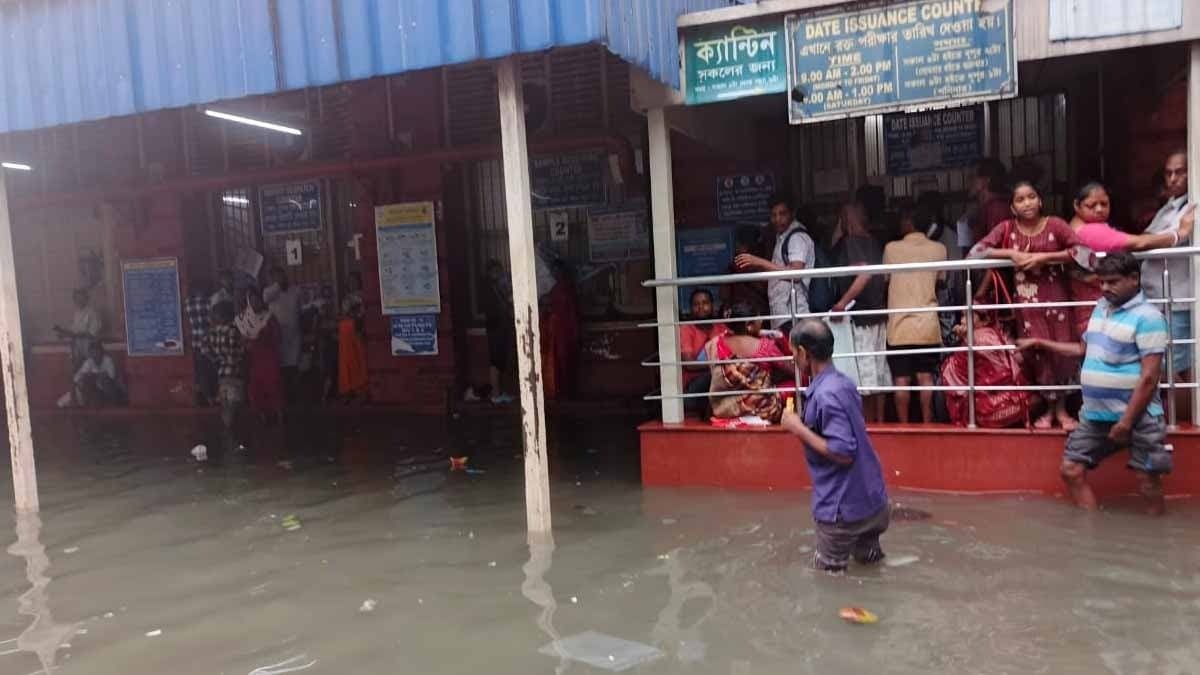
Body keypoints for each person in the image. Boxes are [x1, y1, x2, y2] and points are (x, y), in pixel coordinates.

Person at [1017, 253, 1172, 515]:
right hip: (1096, 415)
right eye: (1102, 282)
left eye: (1112, 282)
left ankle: (1158, 530)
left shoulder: (1149, 317)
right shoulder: (1101, 307)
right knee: (1071, 470)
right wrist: (1040, 343)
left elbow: (1149, 377)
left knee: (1148, 481)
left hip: (1140, 416)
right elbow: (1082, 349)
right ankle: (1091, 529)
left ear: (1134, 279)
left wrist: (1126, 422)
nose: (1105, 288)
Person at [969, 180, 1080, 430]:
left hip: (1058, 303)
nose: (1027, 203)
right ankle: (1048, 410)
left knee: (1060, 354)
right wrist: (1010, 254)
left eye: (1031, 197)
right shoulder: (1007, 229)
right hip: (1027, 307)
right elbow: (976, 252)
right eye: (1020, 200)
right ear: (1012, 207)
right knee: (1036, 354)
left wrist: (1047, 258)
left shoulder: (1056, 225)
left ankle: (1061, 410)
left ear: (1040, 201)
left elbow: (1083, 253)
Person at [781, 319, 889, 572]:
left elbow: (843, 452)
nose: (793, 359)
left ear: (804, 353)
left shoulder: (825, 394)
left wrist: (797, 428)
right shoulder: (843, 383)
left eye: (793, 352)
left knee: (828, 580)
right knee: (870, 565)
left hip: (842, 509)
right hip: (873, 502)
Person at [1067, 181, 1196, 336]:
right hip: (1097, 302)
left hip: (1095, 301)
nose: (1099, 209)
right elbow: (1139, 243)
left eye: (1104, 204)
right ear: (1077, 206)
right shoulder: (1088, 231)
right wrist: (1179, 234)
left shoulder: (1078, 226)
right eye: (1091, 205)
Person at [884, 207, 948, 423]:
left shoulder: (891, 248)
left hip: (899, 326)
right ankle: (928, 423)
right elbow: (941, 281)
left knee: (901, 380)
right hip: (927, 324)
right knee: (926, 377)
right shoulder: (939, 249)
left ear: (909, 222)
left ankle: (903, 425)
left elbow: (886, 281)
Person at [829, 202, 890, 421]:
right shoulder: (873, 242)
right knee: (879, 374)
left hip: (862, 317)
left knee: (865, 378)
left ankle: (868, 426)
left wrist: (841, 304)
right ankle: (881, 423)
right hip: (878, 314)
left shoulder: (852, 242)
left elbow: (864, 274)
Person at [1140, 150, 1193, 378]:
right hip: (1159, 297)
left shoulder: (1191, 206)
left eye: (1179, 172)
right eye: (1168, 173)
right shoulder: (1170, 205)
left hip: (1177, 298)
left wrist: (1140, 242)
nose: (1172, 179)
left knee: (1175, 366)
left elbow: (1152, 240)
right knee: (1172, 363)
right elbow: (1148, 236)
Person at [734, 194, 815, 332]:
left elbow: (796, 274)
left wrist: (759, 262)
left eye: (782, 214)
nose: (777, 219)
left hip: (793, 313)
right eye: (773, 215)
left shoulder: (796, 238)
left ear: (792, 213)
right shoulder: (782, 236)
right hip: (785, 314)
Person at [704, 302, 794, 422]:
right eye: (758, 319)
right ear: (749, 326)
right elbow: (793, 370)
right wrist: (781, 338)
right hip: (760, 406)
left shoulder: (716, 343)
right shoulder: (765, 346)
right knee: (795, 383)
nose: (762, 321)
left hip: (724, 408)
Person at [237, 290, 284, 424]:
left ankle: (280, 415)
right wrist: (247, 343)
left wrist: (263, 339)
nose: (254, 303)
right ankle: (262, 415)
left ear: (261, 301)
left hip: (270, 357)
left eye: (256, 300)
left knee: (274, 385)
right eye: (251, 301)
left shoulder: (269, 317)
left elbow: (278, 337)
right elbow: (242, 341)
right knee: (256, 388)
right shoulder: (244, 319)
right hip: (254, 359)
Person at [202, 302, 245, 442]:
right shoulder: (233, 330)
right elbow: (236, 352)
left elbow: (204, 349)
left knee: (226, 407)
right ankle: (232, 439)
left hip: (222, 374)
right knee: (234, 407)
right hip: (235, 373)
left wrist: (216, 360)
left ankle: (228, 438)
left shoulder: (212, 332)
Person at [679, 288, 726, 415]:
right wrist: (717, 363)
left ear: (712, 306)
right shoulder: (686, 329)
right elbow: (689, 365)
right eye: (696, 304)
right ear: (691, 308)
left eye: (705, 303)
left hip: (719, 382)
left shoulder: (721, 327)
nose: (701, 307)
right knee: (718, 374)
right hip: (693, 389)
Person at [264, 267, 303, 402]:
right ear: (272, 279)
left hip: (294, 334)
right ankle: (283, 397)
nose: (281, 278)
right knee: (281, 368)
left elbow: (300, 310)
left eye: (282, 275)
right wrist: (277, 285)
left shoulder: (295, 290)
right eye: (277, 276)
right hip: (278, 336)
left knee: (294, 366)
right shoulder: (269, 292)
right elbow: (265, 299)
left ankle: (295, 397)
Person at [547, 260, 580, 400]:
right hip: (559, 329)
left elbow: (572, 311)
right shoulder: (559, 288)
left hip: (565, 329)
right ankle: (565, 390)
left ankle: (566, 391)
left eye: (557, 271)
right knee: (562, 360)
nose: (555, 273)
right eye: (553, 271)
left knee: (565, 359)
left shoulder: (565, 288)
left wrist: (575, 330)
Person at [60, 340, 126, 407]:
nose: (95, 354)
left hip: (108, 388)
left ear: (101, 352)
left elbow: (112, 375)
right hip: (94, 390)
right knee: (84, 384)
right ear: (90, 353)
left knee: (106, 383)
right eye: (93, 352)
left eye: (97, 351)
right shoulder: (89, 362)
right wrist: (84, 378)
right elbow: (77, 377)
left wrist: (95, 376)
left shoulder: (108, 360)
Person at [965, 158, 1012, 248]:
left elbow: (996, 246)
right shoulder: (987, 207)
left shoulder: (997, 209)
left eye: (972, 177)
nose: (968, 181)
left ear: (986, 180)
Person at [723, 225, 769, 314]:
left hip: (758, 313)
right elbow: (724, 294)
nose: (738, 247)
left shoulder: (760, 265)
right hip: (744, 313)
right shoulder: (734, 267)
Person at [338, 272, 370, 403]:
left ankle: (362, 389)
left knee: (360, 359)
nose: (352, 283)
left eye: (354, 280)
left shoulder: (365, 296)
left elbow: (363, 313)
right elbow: (344, 314)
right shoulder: (347, 298)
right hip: (347, 333)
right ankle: (348, 389)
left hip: (359, 331)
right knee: (348, 361)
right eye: (349, 281)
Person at [184, 279, 217, 406]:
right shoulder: (209, 302)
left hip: (196, 341)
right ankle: (214, 396)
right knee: (212, 369)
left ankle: (207, 397)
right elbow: (213, 321)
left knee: (201, 371)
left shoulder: (188, 303)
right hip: (209, 341)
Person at [54, 288, 101, 370]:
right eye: (77, 298)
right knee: (77, 371)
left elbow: (92, 333)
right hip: (77, 349)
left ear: (87, 299)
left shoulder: (92, 313)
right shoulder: (77, 313)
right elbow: (74, 330)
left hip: (89, 348)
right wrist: (63, 332)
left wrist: (73, 334)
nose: (79, 301)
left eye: (81, 298)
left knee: (90, 371)